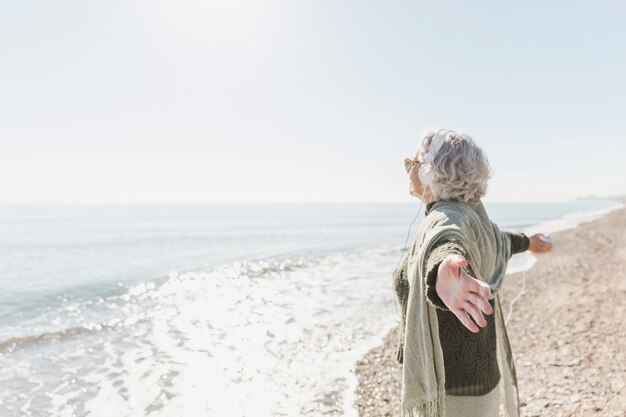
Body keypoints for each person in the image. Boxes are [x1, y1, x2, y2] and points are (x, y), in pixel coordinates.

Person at [393, 129, 553, 417]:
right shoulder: (473, 215)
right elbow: (499, 238)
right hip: (480, 371)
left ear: (430, 173)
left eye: (411, 163)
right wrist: (530, 242)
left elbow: (447, 242)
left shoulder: (447, 217)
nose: (407, 171)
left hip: (452, 385)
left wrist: (443, 269)